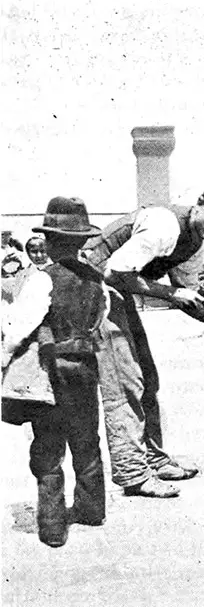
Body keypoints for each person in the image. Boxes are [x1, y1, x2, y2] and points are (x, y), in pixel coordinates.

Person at [81, 180, 204, 498]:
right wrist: (171, 291)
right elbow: (114, 273)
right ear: (199, 203)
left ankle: (153, 459)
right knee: (125, 383)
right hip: (92, 289)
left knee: (147, 377)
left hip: (116, 292)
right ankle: (132, 472)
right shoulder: (164, 225)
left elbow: (191, 298)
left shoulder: (193, 239)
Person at [2, 197, 107, 547]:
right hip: (85, 369)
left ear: (50, 239)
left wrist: (4, 359)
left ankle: (52, 526)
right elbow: (99, 319)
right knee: (86, 440)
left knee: (48, 449)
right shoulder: (96, 279)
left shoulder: (42, 280)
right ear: (80, 241)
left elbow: (18, 327)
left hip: (52, 374)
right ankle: (92, 510)